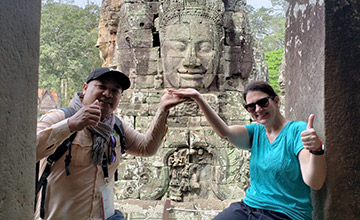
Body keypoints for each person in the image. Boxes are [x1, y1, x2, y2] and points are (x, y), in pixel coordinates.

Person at [35, 67, 186, 220]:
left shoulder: (115, 126)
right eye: (102, 86)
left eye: (115, 91)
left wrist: (162, 110)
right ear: (85, 88)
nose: (108, 94)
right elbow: (28, 151)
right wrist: (70, 125)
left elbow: (145, 148)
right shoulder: (60, 117)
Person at [169, 81, 326, 220]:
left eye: (263, 102)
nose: (258, 109)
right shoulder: (256, 132)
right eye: (251, 107)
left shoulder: (296, 130)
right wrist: (199, 99)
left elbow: (315, 182)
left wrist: (316, 150)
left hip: (285, 213)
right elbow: (225, 132)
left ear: (276, 100)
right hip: (249, 207)